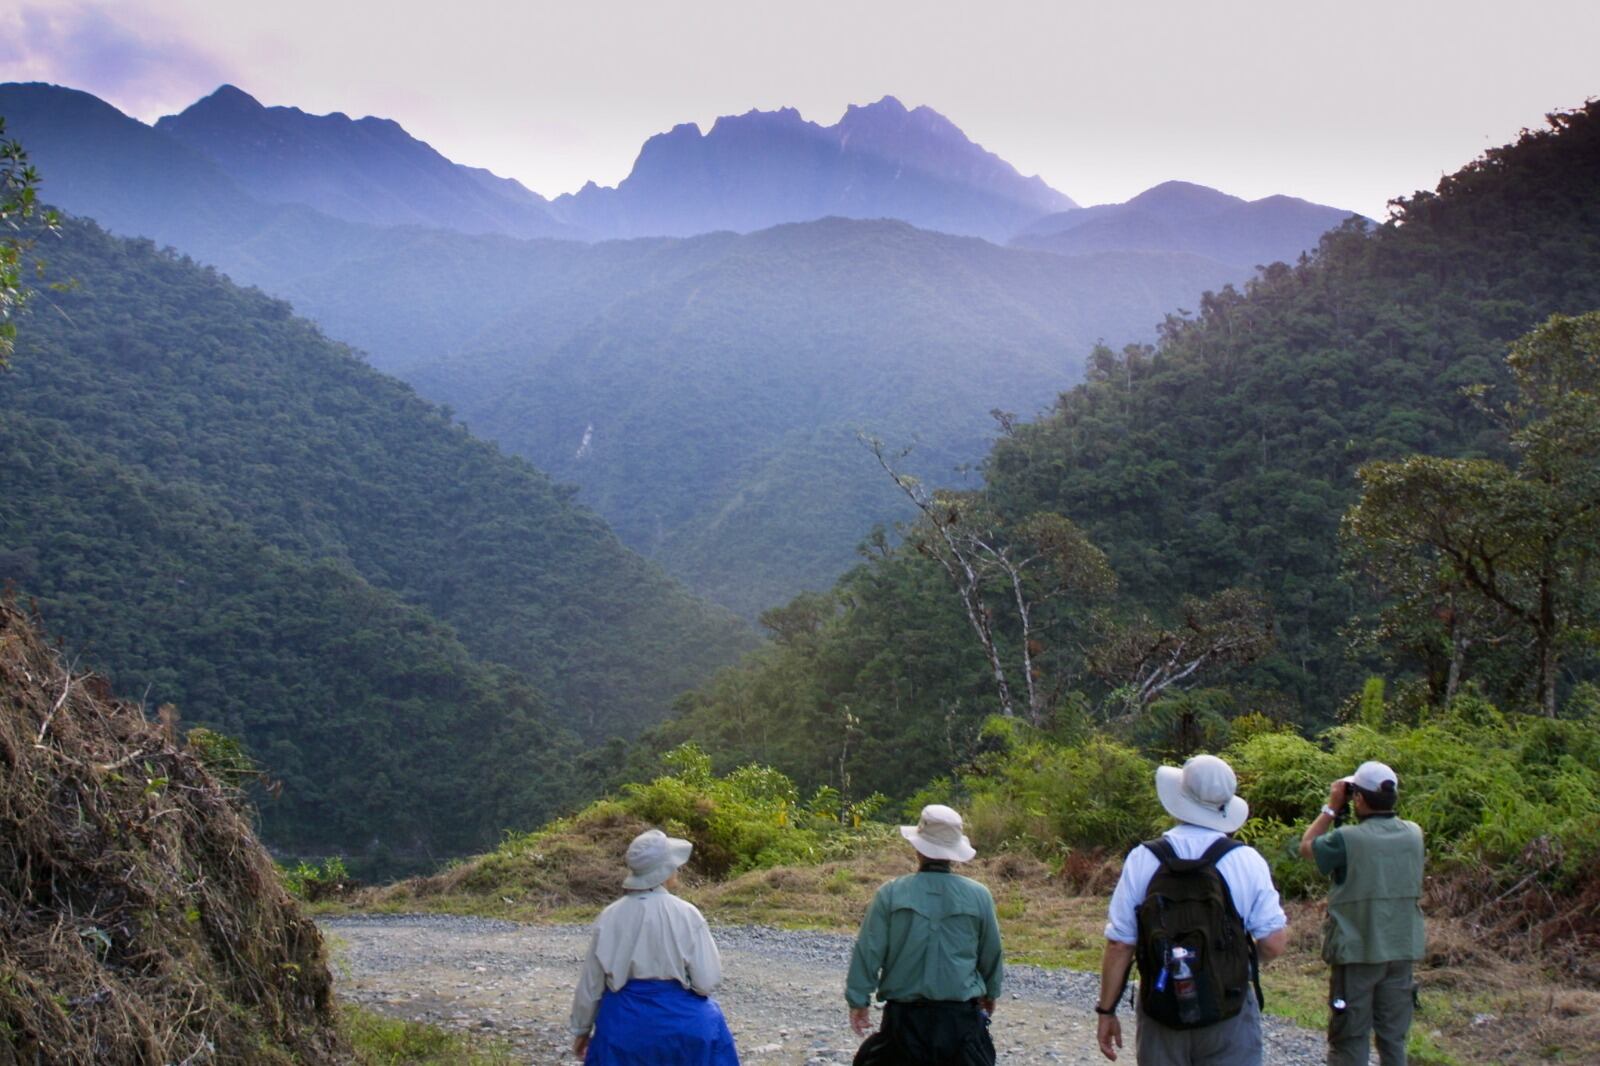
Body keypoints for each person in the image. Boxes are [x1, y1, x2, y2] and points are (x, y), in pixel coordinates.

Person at [1095, 754, 1289, 1065]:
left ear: (1180, 798)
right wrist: (1231, 960)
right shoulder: (1246, 860)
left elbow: (1120, 944)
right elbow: (1273, 942)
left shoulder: (1143, 858)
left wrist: (1106, 1011)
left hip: (1162, 1008)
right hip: (1228, 1008)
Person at [845, 803, 1003, 1066]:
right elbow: (991, 953)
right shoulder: (979, 896)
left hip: (903, 1021)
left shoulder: (891, 893)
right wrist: (991, 993)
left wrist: (858, 1000)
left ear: (918, 849)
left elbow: (868, 952)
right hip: (959, 1022)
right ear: (954, 853)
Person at [569, 828, 740, 1064]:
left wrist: (581, 1031)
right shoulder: (687, 914)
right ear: (665, 871)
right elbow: (706, 982)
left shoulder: (609, 917)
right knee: (711, 1030)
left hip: (623, 1026)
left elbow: (591, 986)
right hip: (684, 1026)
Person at [1298, 761, 1424, 1066]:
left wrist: (1331, 808)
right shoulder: (1414, 834)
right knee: (1394, 1039)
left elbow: (1306, 847)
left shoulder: (1347, 839)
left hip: (1357, 954)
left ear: (1359, 799)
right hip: (1401, 951)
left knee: (1350, 1039)